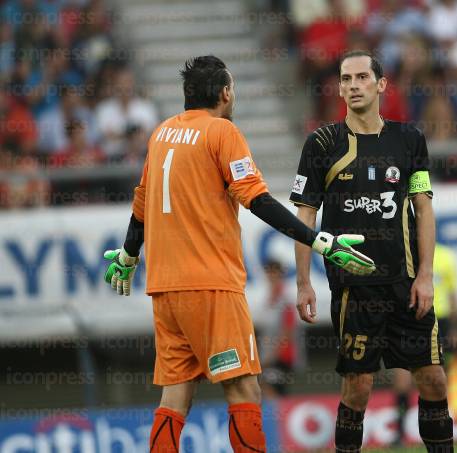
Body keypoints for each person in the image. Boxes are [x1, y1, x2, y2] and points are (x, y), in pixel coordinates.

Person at [100, 55, 375, 453]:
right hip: (212, 288)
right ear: (226, 93)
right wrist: (319, 240)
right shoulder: (222, 132)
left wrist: (128, 256)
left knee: (175, 396)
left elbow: (140, 208)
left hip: (165, 292)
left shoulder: (161, 135)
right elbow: (257, 200)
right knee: (244, 388)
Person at [291, 50, 454, 453]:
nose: (353, 85)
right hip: (354, 289)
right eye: (346, 79)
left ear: (381, 84)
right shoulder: (322, 143)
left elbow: (424, 208)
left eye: (362, 77)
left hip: (406, 284)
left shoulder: (409, 139)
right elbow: (304, 216)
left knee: (433, 378)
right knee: (358, 387)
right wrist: (303, 282)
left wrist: (426, 275)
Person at [393, 242, 457, 447]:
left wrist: (456, 328)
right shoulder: (404, 256)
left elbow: (453, 294)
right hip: (409, 320)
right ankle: (399, 431)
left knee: (439, 380)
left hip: (439, 321)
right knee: (402, 381)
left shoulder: (446, 257)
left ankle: (444, 430)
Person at [258, 260, 305, 398]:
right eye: (268, 272)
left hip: (282, 357)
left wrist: (269, 358)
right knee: (275, 389)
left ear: (280, 274)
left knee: (266, 384)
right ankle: (280, 414)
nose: (270, 276)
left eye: (274, 273)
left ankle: (279, 416)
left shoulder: (285, 299)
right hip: (272, 358)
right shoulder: (269, 300)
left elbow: (288, 332)